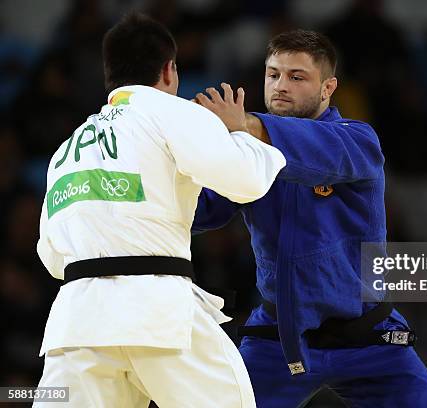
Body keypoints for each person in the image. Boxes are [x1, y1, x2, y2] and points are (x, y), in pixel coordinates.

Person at [35, 13, 285, 408]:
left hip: (76, 326)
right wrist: (237, 130)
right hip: (157, 315)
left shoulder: (68, 149)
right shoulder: (170, 111)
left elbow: (51, 256)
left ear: (110, 76)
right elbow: (248, 181)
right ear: (169, 70)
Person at [193, 29, 427, 407]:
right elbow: (202, 211)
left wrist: (243, 127)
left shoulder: (358, 140)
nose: (281, 85)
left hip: (368, 337)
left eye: (297, 77)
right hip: (279, 338)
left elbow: (312, 151)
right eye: (273, 74)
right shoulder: (245, 150)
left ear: (328, 88)